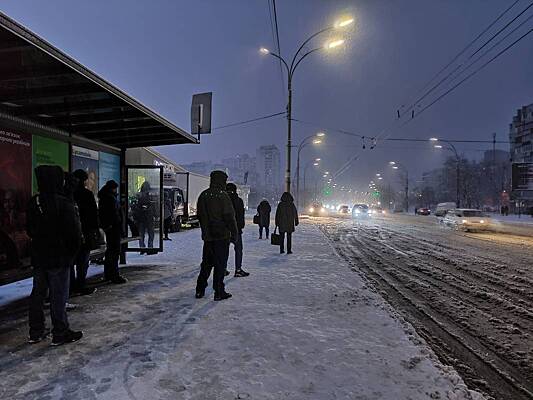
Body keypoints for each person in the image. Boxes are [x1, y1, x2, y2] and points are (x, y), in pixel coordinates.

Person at [26, 165, 83, 345]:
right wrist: (70, 254)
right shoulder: (63, 202)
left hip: (39, 256)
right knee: (58, 296)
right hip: (59, 257)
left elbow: (30, 229)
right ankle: (60, 332)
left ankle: (36, 331)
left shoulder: (34, 202)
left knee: (38, 294)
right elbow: (74, 234)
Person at [195, 170, 237, 301]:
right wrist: (234, 233)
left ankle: (200, 289)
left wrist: (206, 231)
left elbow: (200, 216)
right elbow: (229, 217)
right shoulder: (223, 196)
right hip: (221, 236)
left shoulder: (204, 195)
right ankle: (219, 291)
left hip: (208, 237)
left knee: (206, 263)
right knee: (220, 264)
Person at [71, 169, 99, 295]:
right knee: (83, 261)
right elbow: (93, 214)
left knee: (71, 261)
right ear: (84, 180)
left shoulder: (69, 193)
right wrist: (95, 230)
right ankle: (80, 284)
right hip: (86, 232)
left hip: (72, 233)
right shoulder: (87, 194)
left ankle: (70, 285)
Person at [98, 180, 127, 284]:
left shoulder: (105, 197)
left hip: (110, 229)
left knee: (111, 252)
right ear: (113, 188)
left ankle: (109, 274)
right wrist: (118, 227)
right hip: (114, 229)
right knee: (114, 252)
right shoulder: (110, 199)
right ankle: (114, 275)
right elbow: (115, 215)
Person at [226, 183, 249, 277]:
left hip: (224, 230)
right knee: (238, 249)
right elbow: (240, 215)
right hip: (236, 229)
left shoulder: (223, 200)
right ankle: (238, 269)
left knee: (224, 250)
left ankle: (223, 269)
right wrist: (240, 226)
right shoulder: (238, 201)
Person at [134, 181, 155, 253]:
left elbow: (136, 207)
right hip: (148, 218)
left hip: (141, 218)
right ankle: (150, 248)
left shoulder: (139, 195)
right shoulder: (150, 195)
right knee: (150, 234)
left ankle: (142, 248)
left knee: (141, 234)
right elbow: (153, 206)